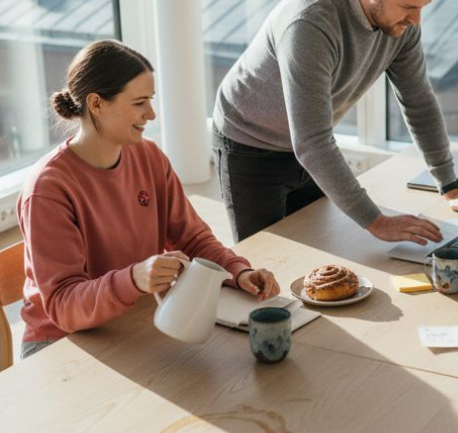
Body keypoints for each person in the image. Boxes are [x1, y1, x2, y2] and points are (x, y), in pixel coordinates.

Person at [212, 0, 458, 243]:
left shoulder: (403, 26)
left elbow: (419, 102)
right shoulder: (310, 24)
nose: (417, 21)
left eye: (422, 7)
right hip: (250, 145)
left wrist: (449, 186)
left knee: (316, 253)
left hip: (308, 146)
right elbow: (312, 141)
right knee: (264, 265)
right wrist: (377, 222)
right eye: (409, 7)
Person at [18, 40, 280, 359]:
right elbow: (63, 306)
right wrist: (133, 278)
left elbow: (193, 238)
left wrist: (238, 272)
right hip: (60, 343)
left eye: (151, 100)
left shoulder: (148, 157)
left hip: (131, 317)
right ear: (96, 103)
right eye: (139, 102)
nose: (151, 114)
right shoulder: (48, 189)